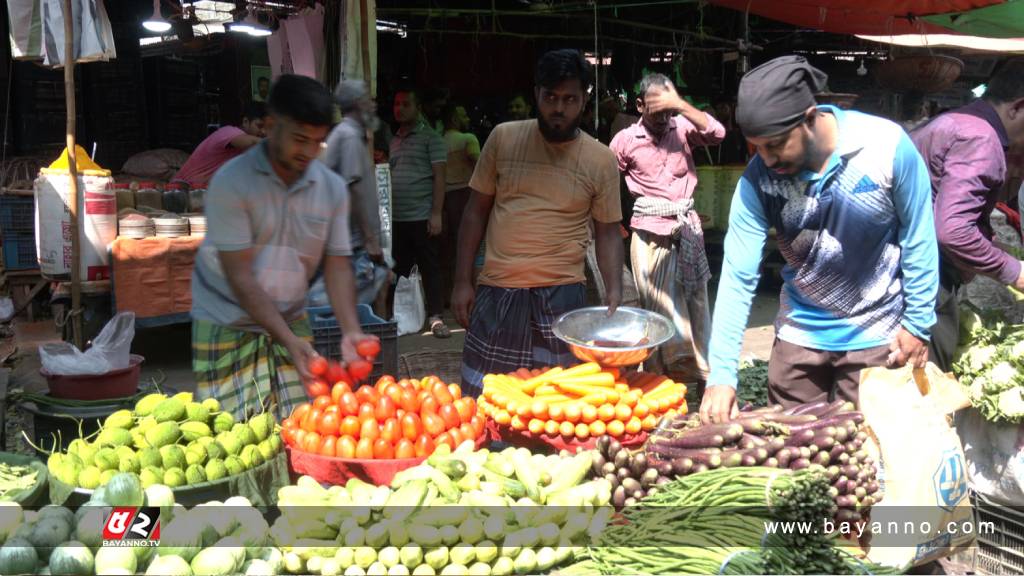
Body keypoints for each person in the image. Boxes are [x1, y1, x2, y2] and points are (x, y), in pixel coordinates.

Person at [696, 56, 938, 424]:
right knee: (792, 452)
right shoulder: (757, 180)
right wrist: (722, 374)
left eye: (776, 144)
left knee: (872, 451)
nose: (767, 159)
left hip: (878, 340)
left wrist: (917, 324)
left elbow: (918, 238)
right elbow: (737, 276)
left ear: (810, 118)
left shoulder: (886, 147)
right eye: (757, 147)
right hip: (798, 342)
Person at [191, 75, 376, 421]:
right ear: (271, 125)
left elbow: (337, 265)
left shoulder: (331, 189)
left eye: (318, 142)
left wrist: (351, 329)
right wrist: (288, 339)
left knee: (303, 429)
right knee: (235, 436)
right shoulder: (231, 182)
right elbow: (240, 277)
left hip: (291, 319)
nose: (308, 152)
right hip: (227, 322)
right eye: (300, 139)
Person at [453, 49, 624, 396]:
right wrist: (461, 282)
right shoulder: (503, 138)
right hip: (498, 290)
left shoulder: (601, 160)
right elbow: (475, 212)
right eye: (550, 97)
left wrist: (615, 290)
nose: (558, 108)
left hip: (563, 295)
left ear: (584, 100)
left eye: (569, 99)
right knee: (484, 399)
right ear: (536, 94)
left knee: (558, 402)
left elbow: (607, 233)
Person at [609, 73, 726, 382]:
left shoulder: (683, 127)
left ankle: (703, 378)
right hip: (648, 234)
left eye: (667, 110)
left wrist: (681, 106)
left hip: (686, 229)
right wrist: (612, 222)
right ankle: (656, 380)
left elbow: (718, 132)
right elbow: (605, 179)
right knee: (654, 309)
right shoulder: (625, 140)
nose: (663, 117)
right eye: (656, 110)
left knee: (696, 304)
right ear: (639, 105)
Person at [911, 59, 1024, 372]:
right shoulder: (981, 138)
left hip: (904, 276)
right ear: (1018, 107)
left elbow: (939, 203)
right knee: (925, 384)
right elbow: (952, 231)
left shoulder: (955, 121)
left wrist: (989, 242)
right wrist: (1014, 271)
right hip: (924, 283)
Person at [322, 79, 389, 306]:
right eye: (369, 99)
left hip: (353, 242)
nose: (373, 104)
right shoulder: (349, 136)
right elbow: (353, 188)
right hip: (354, 243)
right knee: (354, 308)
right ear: (358, 104)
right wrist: (370, 239)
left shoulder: (348, 134)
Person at [390, 87, 451, 337]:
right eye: (397, 104)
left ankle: (436, 316)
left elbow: (440, 177)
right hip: (398, 216)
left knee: (429, 267)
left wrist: (436, 213)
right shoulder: (394, 140)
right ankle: (404, 317)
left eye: (406, 104)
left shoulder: (431, 138)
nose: (400, 109)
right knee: (401, 268)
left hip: (422, 215)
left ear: (418, 108)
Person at [173, 102, 268, 188]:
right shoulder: (229, 132)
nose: (264, 132)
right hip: (181, 189)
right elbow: (253, 142)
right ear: (245, 122)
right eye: (259, 126)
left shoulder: (251, 152)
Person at [442, 102, 481, 301]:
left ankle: (448, 293)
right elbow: (481, 165)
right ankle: (472, 291)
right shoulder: (468, 139)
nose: (467, 119)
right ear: (455, 119)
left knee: (448, 248)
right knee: (470, 245)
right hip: (467, 195)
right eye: (464, 116)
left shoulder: (439, 141)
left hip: (444, 197)